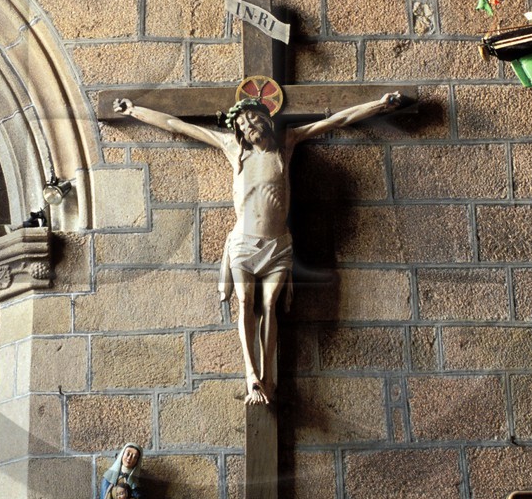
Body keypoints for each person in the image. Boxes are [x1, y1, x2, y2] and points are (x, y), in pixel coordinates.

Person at [112, 91, 404, 405]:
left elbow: (337, 119)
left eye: (253, 118)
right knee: (244, 301)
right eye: (243, 122)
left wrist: (380, 104)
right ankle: (251, 373)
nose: (250, 125)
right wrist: (135, 110)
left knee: (269, 307)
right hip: (243, 245)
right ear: (238, 130)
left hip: (277, 246)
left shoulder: (286, 144)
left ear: (264, 119)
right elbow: (176, 124)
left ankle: (267, 377)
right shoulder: (231, 146)